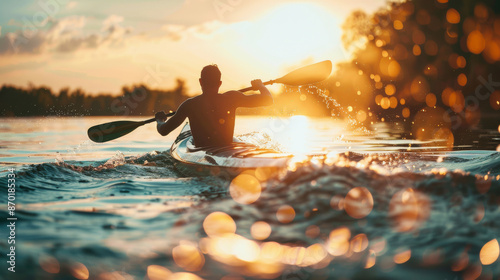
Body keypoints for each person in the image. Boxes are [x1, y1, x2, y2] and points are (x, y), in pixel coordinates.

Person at [155, 64, 273, 147]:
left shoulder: (189, 105)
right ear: (220, 83)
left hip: (201, 152)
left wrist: (160, 120)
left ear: (200, 81)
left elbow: (164, 131)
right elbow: (268, 100)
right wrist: (260, 86)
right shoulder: (231, 98)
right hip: (227, 150)